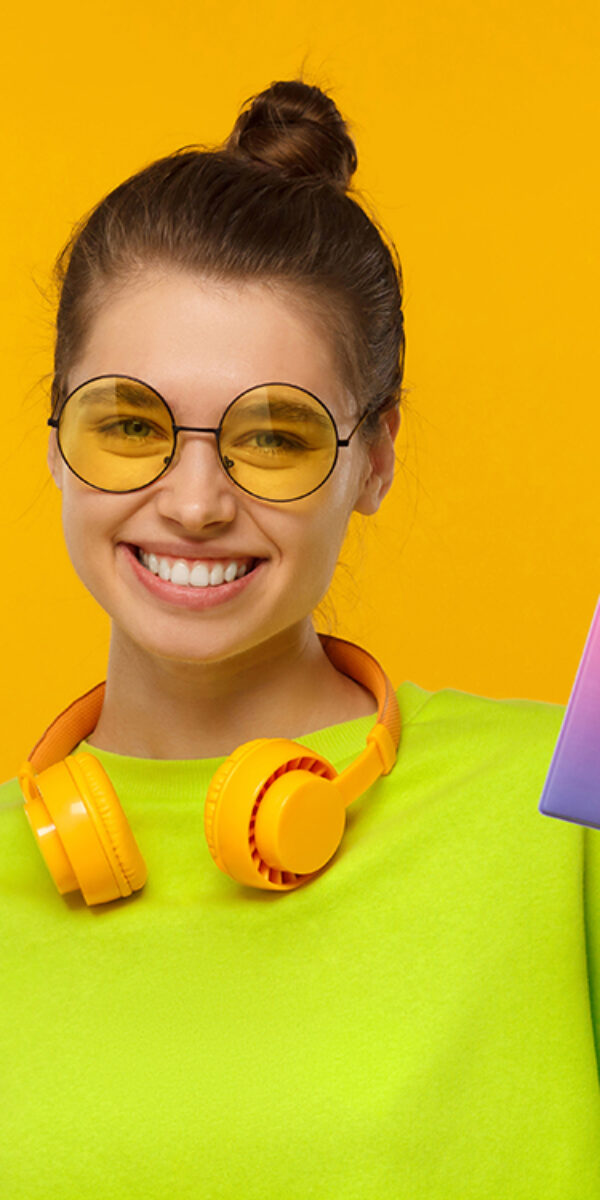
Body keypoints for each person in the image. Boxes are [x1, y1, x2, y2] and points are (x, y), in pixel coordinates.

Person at [1, 78, 598, 1200]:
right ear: (53, 431)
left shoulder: (564, 811)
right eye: (127, 422)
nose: (192, 502)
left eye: (271, 436)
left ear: (374, 457)